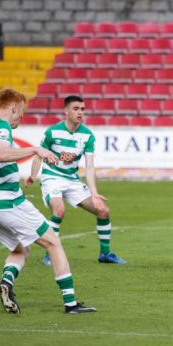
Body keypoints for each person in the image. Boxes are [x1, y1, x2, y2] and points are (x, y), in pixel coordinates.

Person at [0, 89, 96, 314]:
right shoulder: (1, 127)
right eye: (22, 111)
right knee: (53, 242)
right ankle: (71, 303)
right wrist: (36, 148)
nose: (22, 116)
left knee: (20, 250)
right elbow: (1, 153)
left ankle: (6, 283)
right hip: (9, 201)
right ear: (14, 106)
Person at [25, 95, 127, 265]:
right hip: (52, 178)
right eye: (76, 109)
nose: (80, 112)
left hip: (72, 180)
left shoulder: (87, 136)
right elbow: (38, 156)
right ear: (66, 111)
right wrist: (33, 176)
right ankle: (50, 253)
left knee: (103, 211)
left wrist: (94, 193)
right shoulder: (52, 132)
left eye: (82, 109)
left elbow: (89, 166)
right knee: (59, 210)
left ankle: (105, 254)